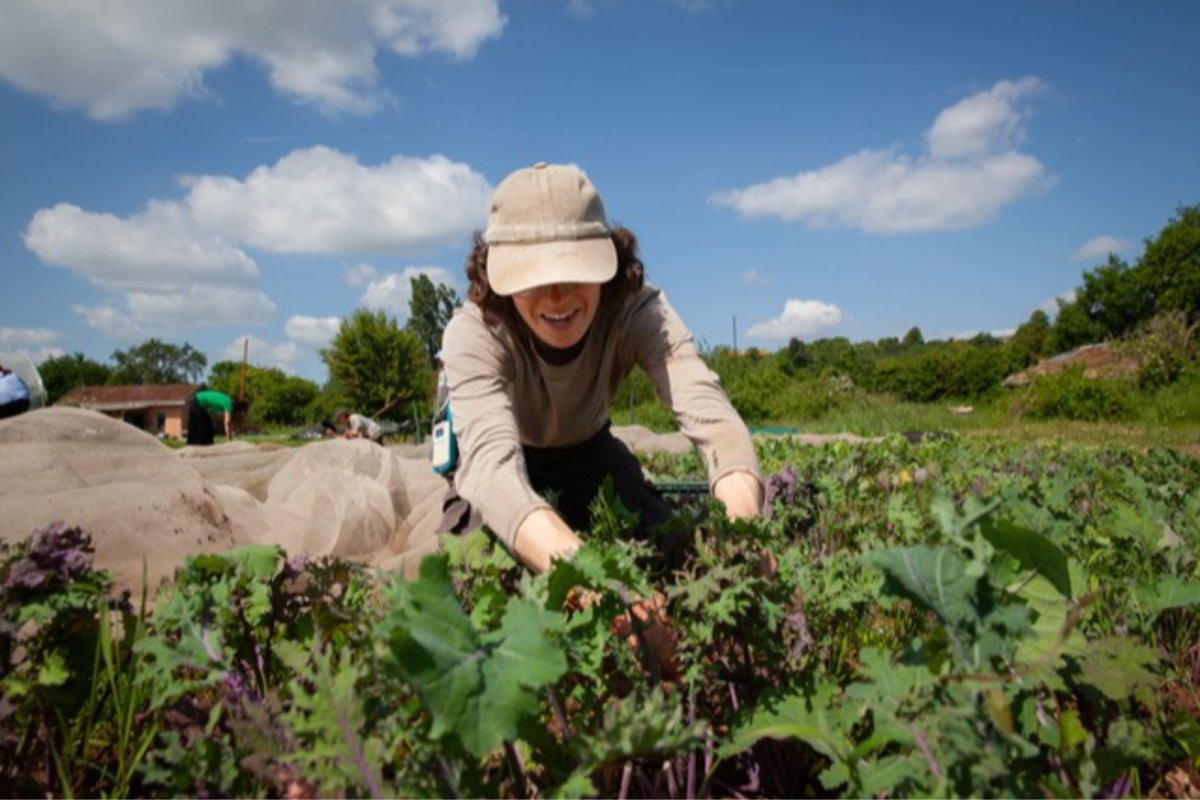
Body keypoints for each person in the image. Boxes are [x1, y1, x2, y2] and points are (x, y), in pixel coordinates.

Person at [438, 162, 764, 575]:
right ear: (496, 274)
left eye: (575, 269)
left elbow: (710, 414)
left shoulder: (636, 310)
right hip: (506, 456)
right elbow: (492, 470)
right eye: (533, 277)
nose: (556, 297)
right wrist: (589, 578)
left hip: (589, 453)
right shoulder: (475, 332)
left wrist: (743, 532)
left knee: (667, 548)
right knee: (474, 568)